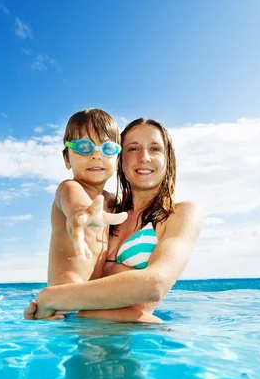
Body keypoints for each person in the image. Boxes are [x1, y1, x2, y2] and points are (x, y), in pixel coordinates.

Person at [25, 118, 203, 322]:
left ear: (167, 158)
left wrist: (53, 299)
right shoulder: (103, 207)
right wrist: (47, 309)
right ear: (120, 158)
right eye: (133, 148)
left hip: (127, 337)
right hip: (74, 329)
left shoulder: (180, 213)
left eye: (155, 149)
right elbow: (70, 195)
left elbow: (156, 284)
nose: (144, 157)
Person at [46, 108, 127, 290]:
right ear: (67, 158)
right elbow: (75, 204)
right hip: (64, 297)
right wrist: (79, 214)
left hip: (89, 298)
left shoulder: (112, 202)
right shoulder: (68, 188)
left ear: (117, 159)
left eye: (107, 148)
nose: (96, 155)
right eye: (84, 147)